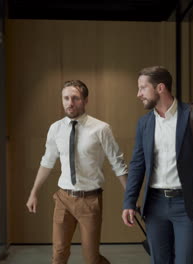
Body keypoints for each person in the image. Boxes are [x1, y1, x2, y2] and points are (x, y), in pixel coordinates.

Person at [121, 66, 193, 263]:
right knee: (159, 260)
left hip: (188, 204)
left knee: (186, 260)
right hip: (155, 206)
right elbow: (137, 165)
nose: (138, 94)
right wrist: (129, 202)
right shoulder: (144, 123)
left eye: (142, 88)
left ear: (160, 88)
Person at [27, 80, 128, 264]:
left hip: (89, 200)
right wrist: (34, 193)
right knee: (58, 254)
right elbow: (47, 162)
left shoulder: (101, 129)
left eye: (75, 98)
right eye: (66, 98)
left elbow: (117, 163)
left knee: (92, 259)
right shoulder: (56, 128)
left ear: (85, 100)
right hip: (63, 198)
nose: (69, 103)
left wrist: (130, 196)